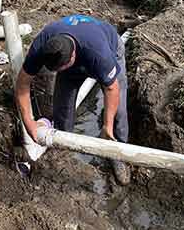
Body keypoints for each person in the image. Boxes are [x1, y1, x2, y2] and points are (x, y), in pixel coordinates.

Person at [15, 14, 130, 185]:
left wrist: (107, 126)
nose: (58, 71)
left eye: (63, 67)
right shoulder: (43, 45)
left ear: (73, 55)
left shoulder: (98, 52)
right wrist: (28, 121)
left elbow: (111, 88)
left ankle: (118, 154)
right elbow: (22, 83)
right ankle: (64, 152)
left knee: (118, 112)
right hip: (74, 63)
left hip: (110, 47)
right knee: (62, 109)